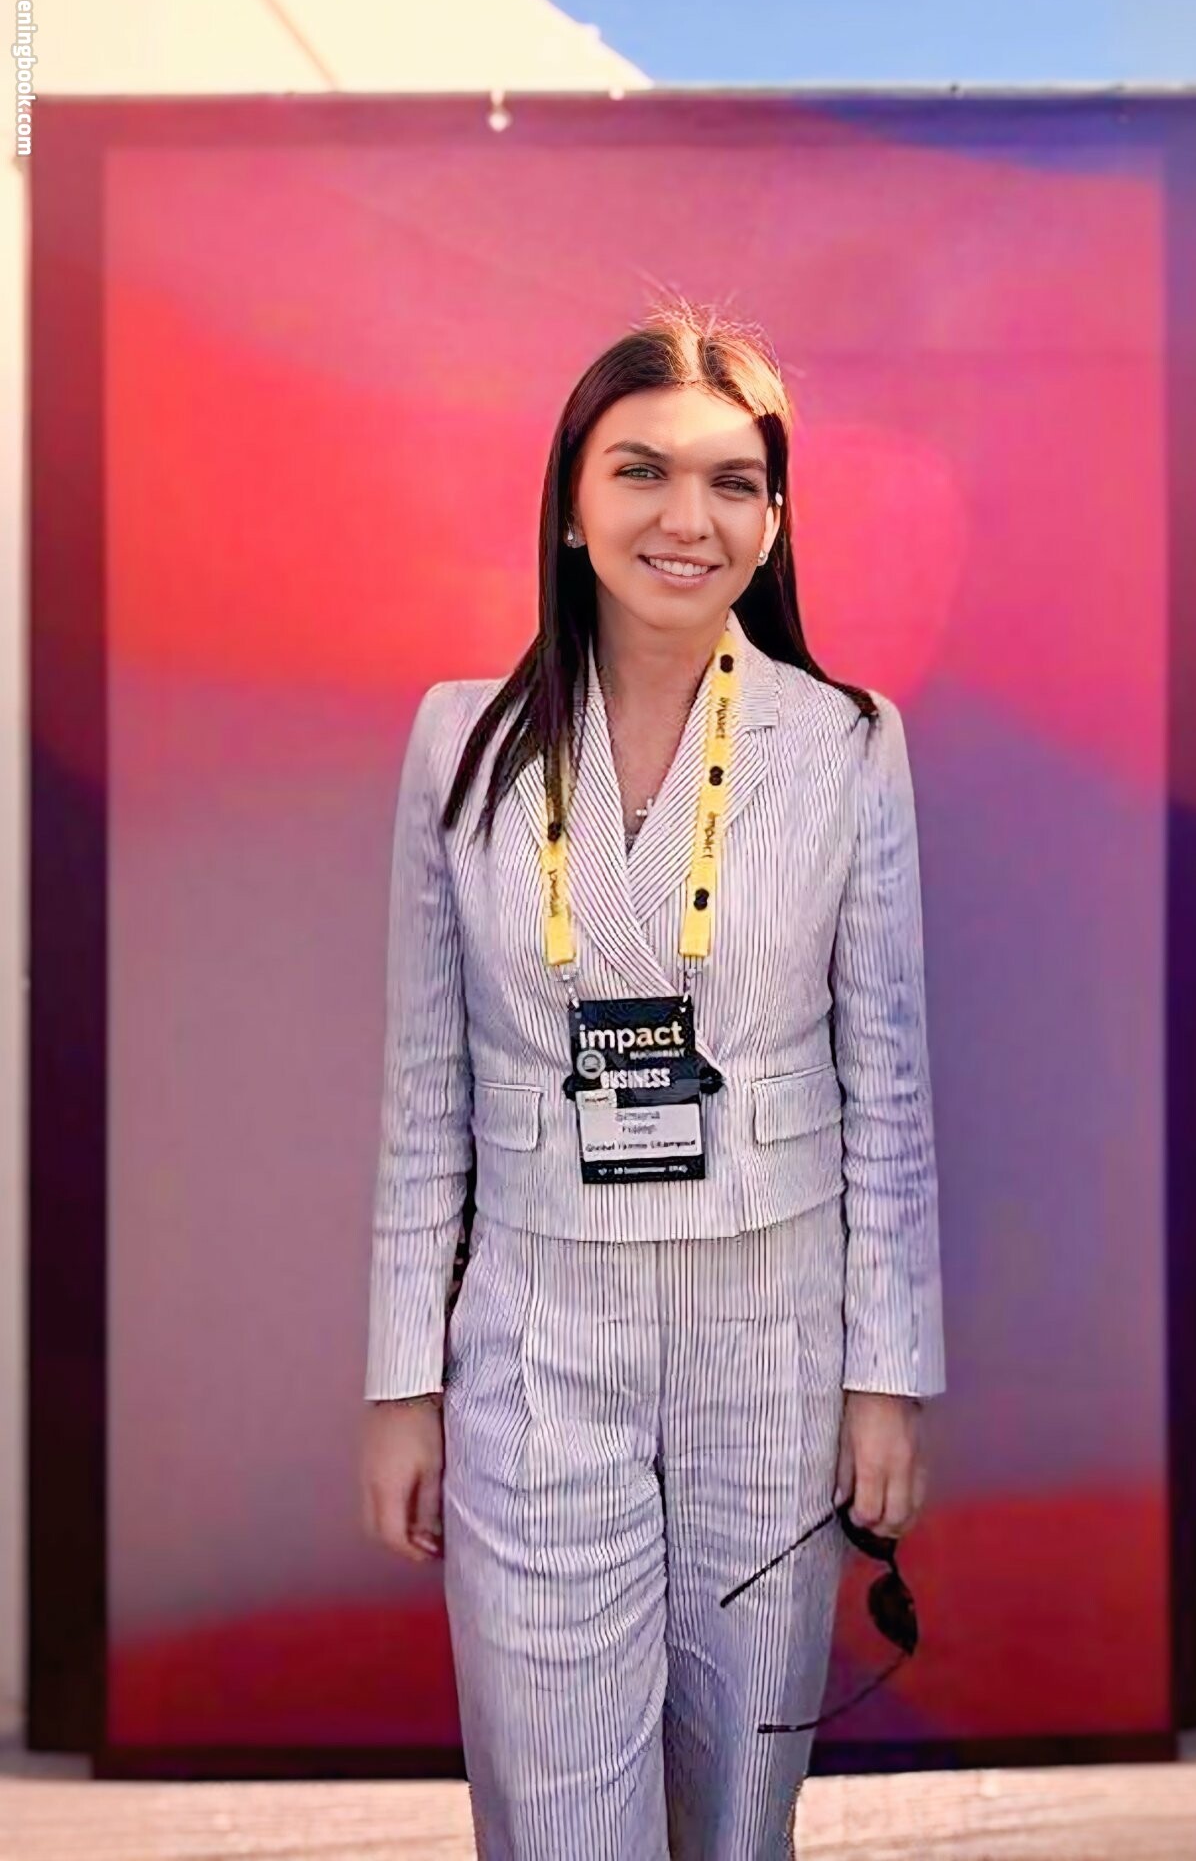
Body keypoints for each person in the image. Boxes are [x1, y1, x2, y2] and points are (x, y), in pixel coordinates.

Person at [358, 298, 946, 1860]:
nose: (688, 517)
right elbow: (425, 1095)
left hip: (775, 1336)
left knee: (742, 1814)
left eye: (733, 482)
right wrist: (402, 1381)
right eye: (642, 471)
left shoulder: (845, 744)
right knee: (557, 1809)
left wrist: (888, 1377)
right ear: (571, 505)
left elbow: (890, 1090)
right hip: (538, 1340)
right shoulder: (459, 744)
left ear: (773, 522)